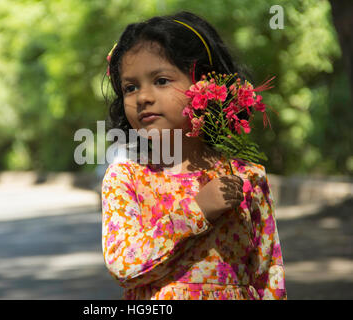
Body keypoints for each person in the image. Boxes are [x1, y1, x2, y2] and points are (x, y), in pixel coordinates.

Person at [100, 11, 287, 300]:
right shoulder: (127, 178)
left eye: (161, 80)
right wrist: (196, 211)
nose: (142, 97)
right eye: (130, 87)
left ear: (205, 85)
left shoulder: (248, 177)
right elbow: (123, 265)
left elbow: (268, 278)